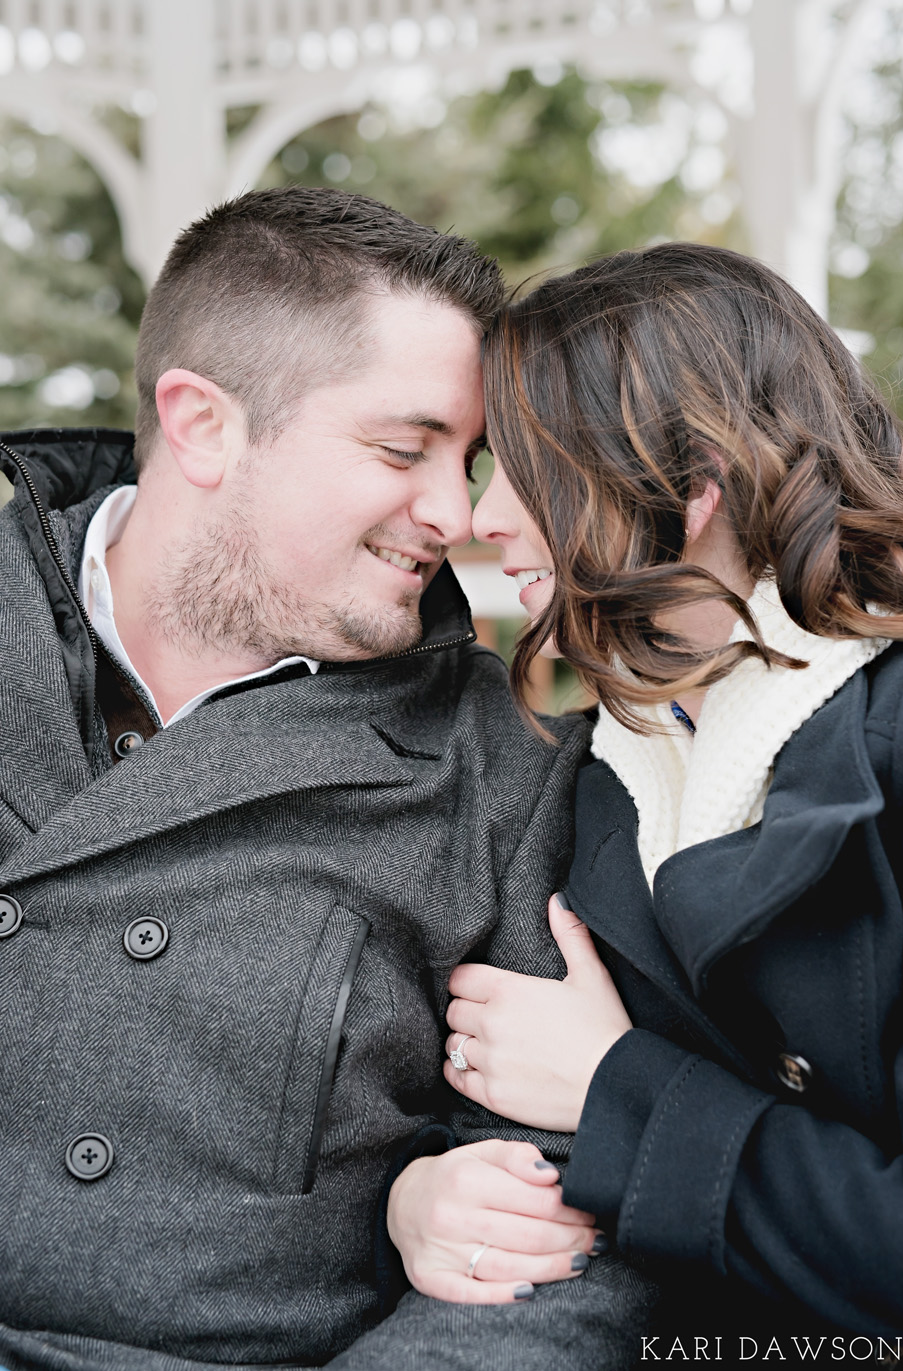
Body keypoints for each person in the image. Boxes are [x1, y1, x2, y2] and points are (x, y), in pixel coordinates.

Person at [0, 188, 658, 1371]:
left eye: (468, 462)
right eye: (403, 450)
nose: (455, 515)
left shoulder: (505, 768)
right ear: (202, 426)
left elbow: (558, 1246)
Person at [387, 243, 903, 1354]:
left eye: (523, 468)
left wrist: (617, 1087)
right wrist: (422, 1198)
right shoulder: (594, 767)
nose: (485, 518)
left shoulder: (895, 743)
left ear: (693, 486)